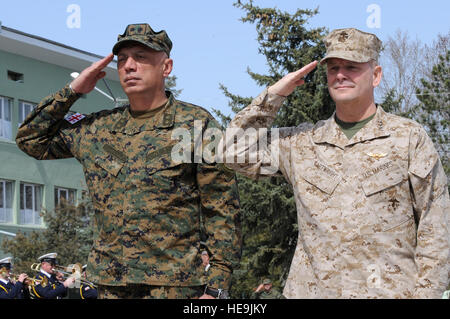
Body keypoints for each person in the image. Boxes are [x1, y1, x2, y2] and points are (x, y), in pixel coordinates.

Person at [16, 23, 241, 299]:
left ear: (166, 67)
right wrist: (73, 90)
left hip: (175, 286)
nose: (129, 66)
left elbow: (222, 210)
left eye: (141, 57)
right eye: (122, 60)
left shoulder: (196, 126)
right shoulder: (98, 129)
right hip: (110, 285)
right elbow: (30, 140)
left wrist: (217, 288)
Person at [221, 28, 449, 298]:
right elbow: (231, 152)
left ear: (375, 75)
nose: (340, 75)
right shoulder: (301, 142)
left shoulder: (408, 138)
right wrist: (275, 94)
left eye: (352, 67)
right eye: (333, 68)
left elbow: (436, 228)